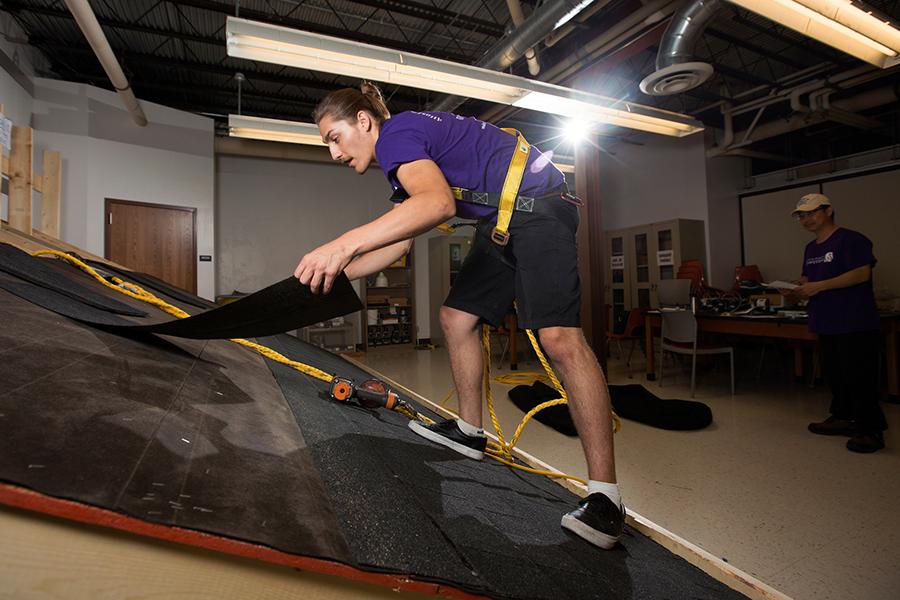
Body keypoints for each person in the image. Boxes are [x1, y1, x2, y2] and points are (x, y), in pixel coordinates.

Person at [293, 82, 624, 549]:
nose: (334, 153)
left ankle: (606, 497)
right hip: (504, 222)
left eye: (334, 137)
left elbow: (437, 205)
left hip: (542, 211)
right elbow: (398, 243)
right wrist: (335, 274)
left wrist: (341, 244)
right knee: (456, 317)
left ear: (363, 121)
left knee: (558, 338)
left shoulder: (397, 135)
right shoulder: (403, 160)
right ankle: (470, 431)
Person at [789, 193, 886, 453]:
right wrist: (798, 287)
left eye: (811, 213)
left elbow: (861, 273)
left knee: (860, 376)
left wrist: (819, 286)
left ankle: (870, 430)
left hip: (854, 320)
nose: (806, 219)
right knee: (835, 374)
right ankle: (843, 417)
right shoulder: (811, 248)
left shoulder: (852, 240)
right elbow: (808, 278)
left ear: (828, 210)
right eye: (802, 215)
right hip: (825, 320)